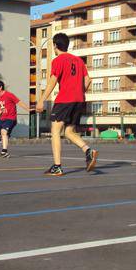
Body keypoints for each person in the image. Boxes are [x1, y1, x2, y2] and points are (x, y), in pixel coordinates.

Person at [36, 33, 98, 176]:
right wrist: (79, 92)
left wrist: (41, 100)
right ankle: (88, 151)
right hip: (79, 100)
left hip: (65, 100)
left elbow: (52, 82)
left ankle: (57, 166)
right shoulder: (79, 61)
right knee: (68, 132)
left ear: (55, 46)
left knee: (55, 130)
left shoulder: (58, 60)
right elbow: (88, 80)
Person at [0, 80, 30, 159]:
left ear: (0, 87)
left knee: (3, 132)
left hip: (10, 119)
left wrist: (28, 109)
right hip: (2, 119)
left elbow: (19, 102)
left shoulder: (9, 95)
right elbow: (0, 109)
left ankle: (4, 152)